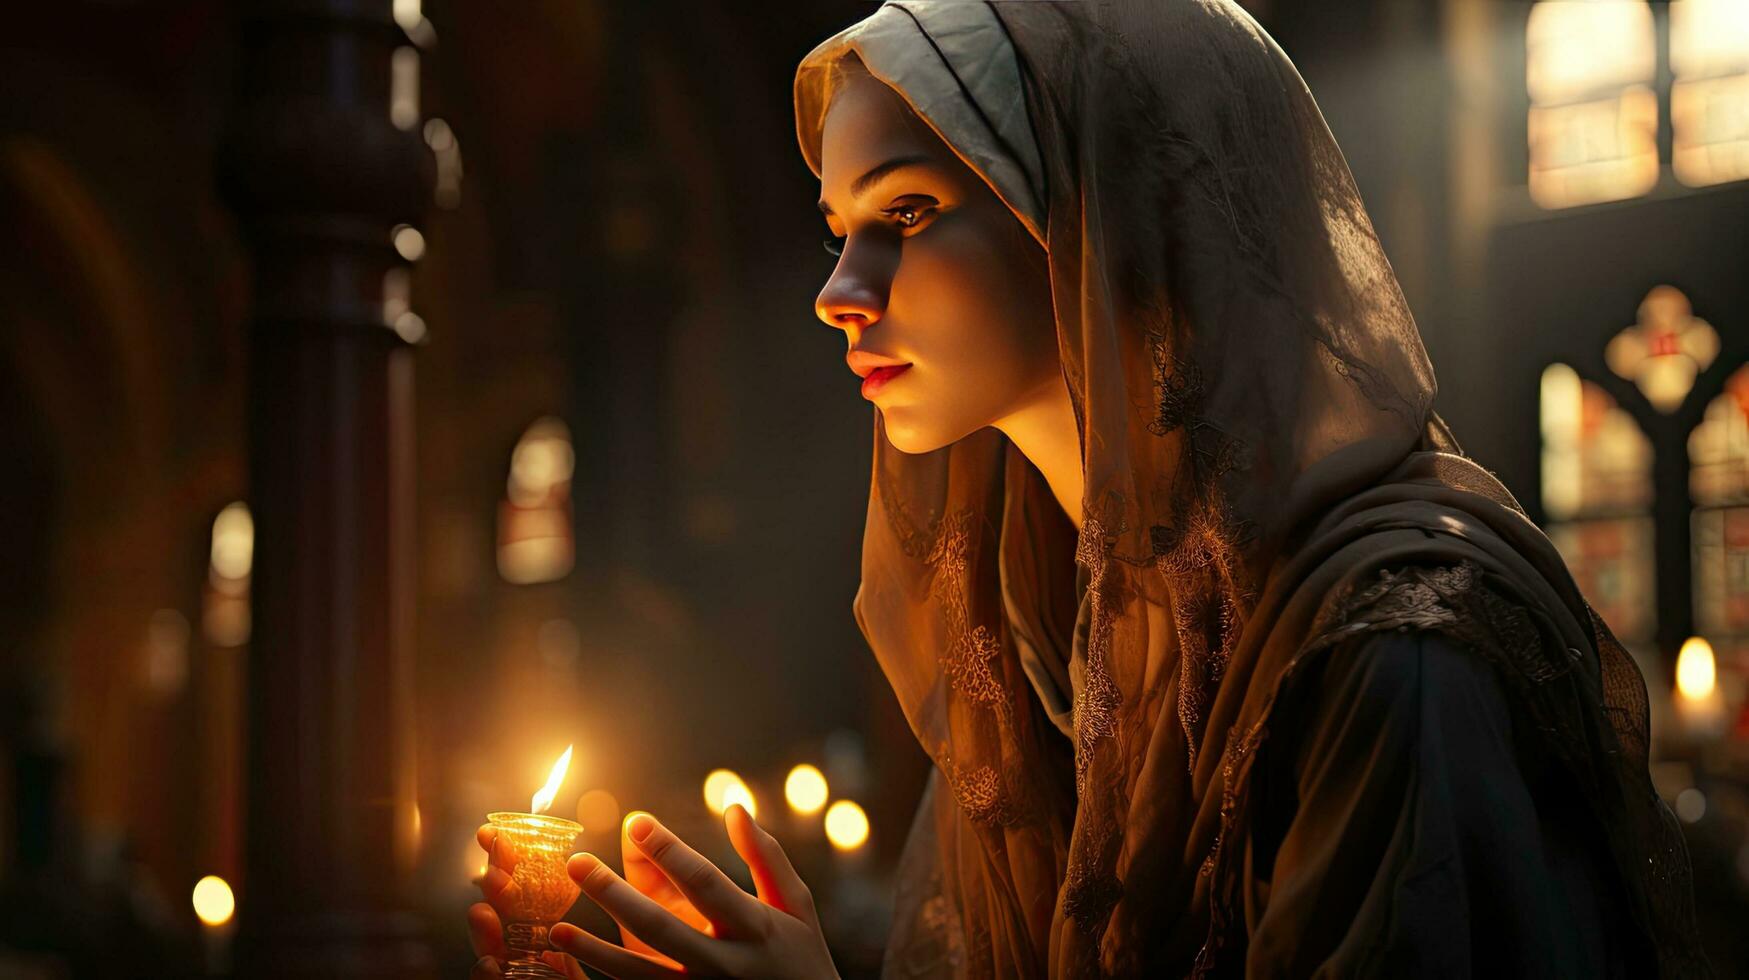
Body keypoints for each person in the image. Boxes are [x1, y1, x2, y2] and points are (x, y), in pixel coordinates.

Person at [470, 1, 1712, 976]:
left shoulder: (1390, 654)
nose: (839, 288)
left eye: (908, 209)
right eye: (837, 223)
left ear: (1105, 218)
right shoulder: (1035, 626)